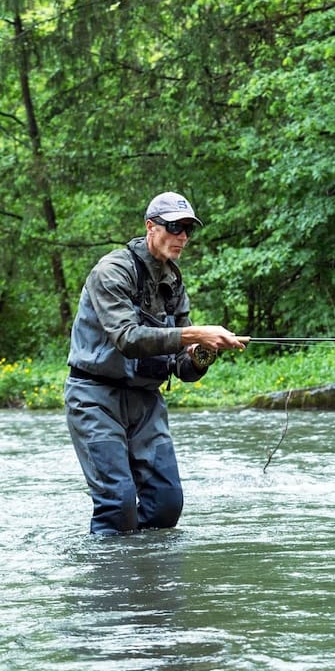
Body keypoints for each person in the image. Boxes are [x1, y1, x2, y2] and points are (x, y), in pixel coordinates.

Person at [65, 191, 245, 535]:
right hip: (94, 398)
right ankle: (110, 584)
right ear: (151, 226)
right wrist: (194, 334)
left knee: (166, 503)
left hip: (146, 401)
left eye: (188, 230)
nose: (182, 237)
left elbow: (182, 366)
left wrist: (201, 355)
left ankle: (149, 583)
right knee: (117, 504)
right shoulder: (112, 270)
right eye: (175, 227)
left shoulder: (173, 282)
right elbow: (128, 338)